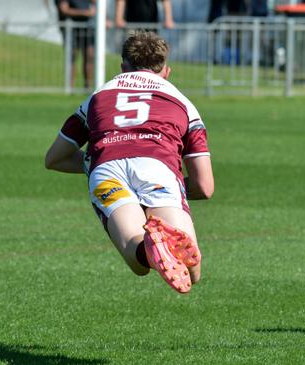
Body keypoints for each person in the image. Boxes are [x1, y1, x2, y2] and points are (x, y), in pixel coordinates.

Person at [44, 31, 214, 294]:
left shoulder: (99, 96)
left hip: (107, 168)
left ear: (123, 67)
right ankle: (162, 240)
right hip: (157, 167)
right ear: (166, 71)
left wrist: (91, 163)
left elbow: (55, 158)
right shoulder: (183, 103)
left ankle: (149, 247)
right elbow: (204, 186)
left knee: (138, 259)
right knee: (192, 273)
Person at [56, 0, 96, 89]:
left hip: (88, 27)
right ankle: (69, 88)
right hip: (71, 28)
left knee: (89, 55)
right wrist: (85, 13)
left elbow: (95, 4)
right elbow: (64, 10)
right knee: (72, 57)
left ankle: (88, 88)